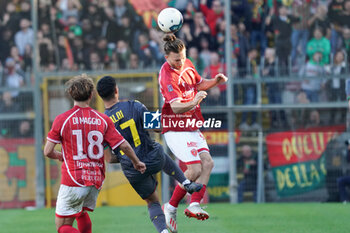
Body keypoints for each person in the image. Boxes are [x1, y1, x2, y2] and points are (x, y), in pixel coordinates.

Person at [96, 76, 202, 233]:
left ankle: (163, 231)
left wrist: (129, 158)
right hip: (153, 157)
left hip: (133, 169)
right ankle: (185, 182)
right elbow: (158, 128)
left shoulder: (102, 122)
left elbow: (109, 158)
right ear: (116, 90)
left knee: (153, 202)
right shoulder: (134, 105)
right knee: (158, 149)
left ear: (100, 96)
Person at [43, 74, 146, 233]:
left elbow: (48, 151)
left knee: (62, 227)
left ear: (71, 94)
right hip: (95, 179)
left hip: (73, 179)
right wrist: (136, 161)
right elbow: (123, 145)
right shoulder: (103, 119)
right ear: (92, 95)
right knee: (81, 212)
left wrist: (60, 156)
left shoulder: (62, 119)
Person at [158, 34, 227, 232]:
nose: (180, 62)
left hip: (191, 125)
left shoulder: (187, 63)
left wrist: (215, 81)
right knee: (195, 170)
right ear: (167, 58)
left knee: (208, 163)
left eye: (182, 57)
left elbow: (198, 83)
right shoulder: (166, 75)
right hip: (175, 127)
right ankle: (170, 207)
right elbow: (178, 107)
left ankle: (194, 204)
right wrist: (195, 101)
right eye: (176, 59)